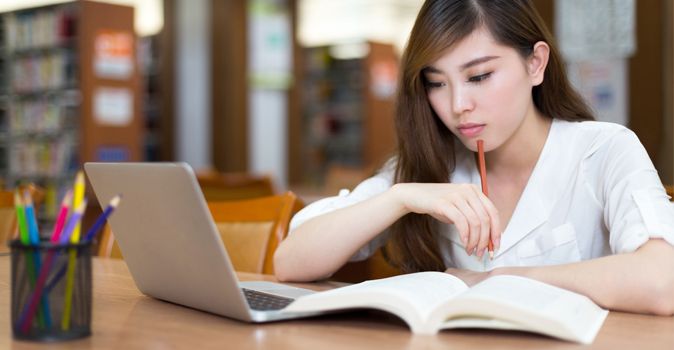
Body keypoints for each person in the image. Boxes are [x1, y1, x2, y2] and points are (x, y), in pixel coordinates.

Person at [274, 0, 674, 316]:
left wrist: (496, 279)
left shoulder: (603, 150)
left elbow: (662, 281)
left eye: (479, 76)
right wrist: (398, 197)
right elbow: (291, 262)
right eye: (436, 83)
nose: (458, 105)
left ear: (535, 63)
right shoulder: (429, 164)